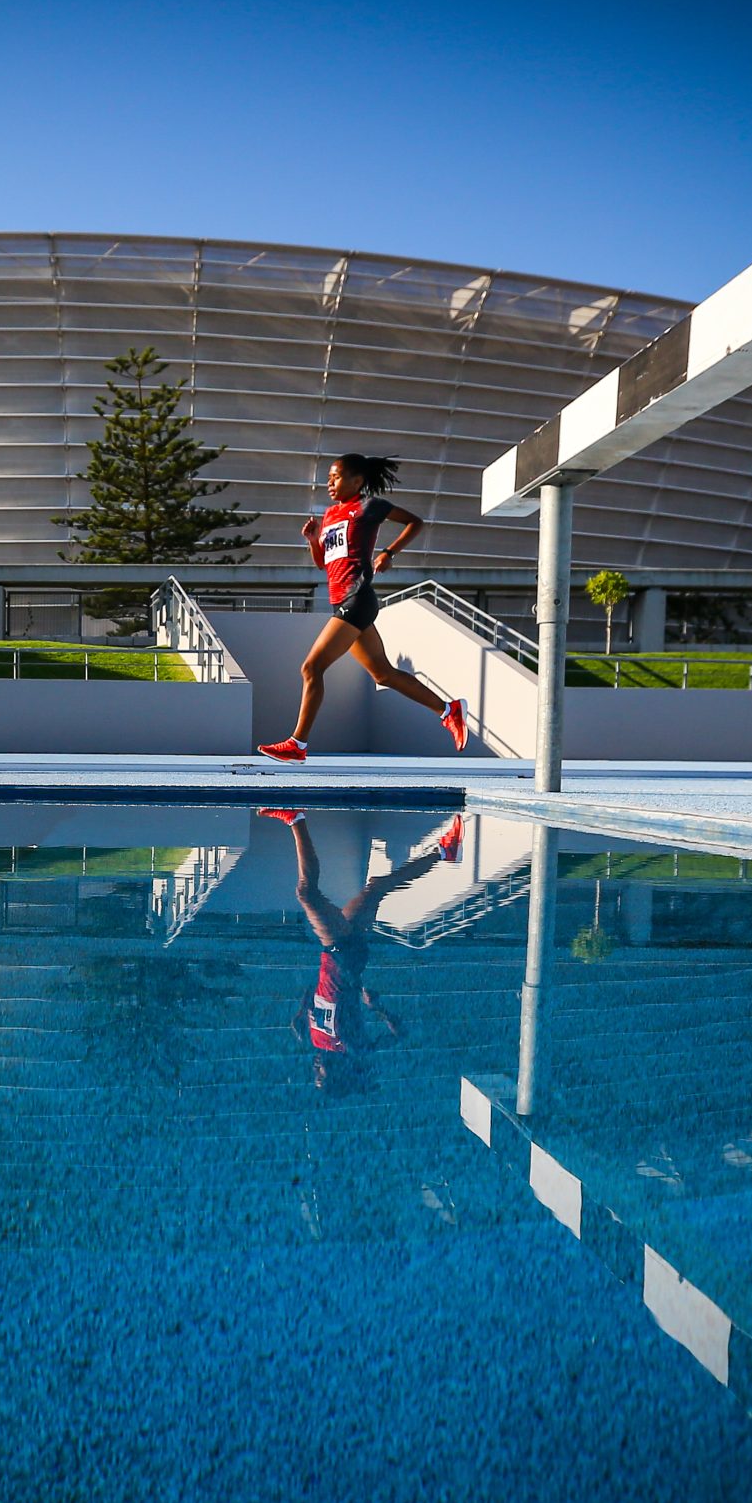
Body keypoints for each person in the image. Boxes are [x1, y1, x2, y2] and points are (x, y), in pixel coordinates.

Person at [258, 453, 468, 762]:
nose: (330, 483)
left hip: (357, 599)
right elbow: (323, 564)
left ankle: (297, 744)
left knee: (312, 667)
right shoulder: (330, 515)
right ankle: (449, 711)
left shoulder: (369, 506)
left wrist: (389, 553)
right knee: (382, 674)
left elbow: (415, 522)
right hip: (342, 601)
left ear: (357, 481)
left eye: (336, 477)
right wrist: (314, 539)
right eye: (328, 478)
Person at [261, 807, 463, 1094]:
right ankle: (295, 819)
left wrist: (300, 1010)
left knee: (375, 888)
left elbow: (319, 996)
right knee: (307, 893)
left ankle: (444, 852)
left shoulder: (318, 1041)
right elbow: (399, 1033)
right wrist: (377, 1006)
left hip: (337, 956)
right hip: (342, 955)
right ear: (338, 1073)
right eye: (321, 1074)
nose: (315, 1067)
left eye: (314, 1073)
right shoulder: (353, 1047)